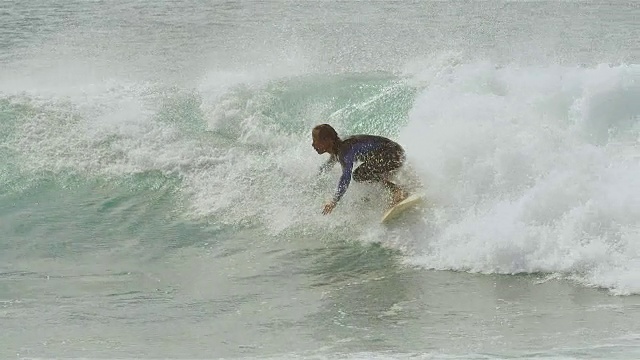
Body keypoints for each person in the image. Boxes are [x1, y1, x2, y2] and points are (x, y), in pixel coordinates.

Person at [312, 124, 408, 215]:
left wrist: (334, 201)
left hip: (393, 154)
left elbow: (346, 178)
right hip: (395, 153)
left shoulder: (344, 151)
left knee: (359, 175)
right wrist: (317, 177)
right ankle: (397, 189)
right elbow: (327, 166)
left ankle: (397, 191)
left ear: (327, 140)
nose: (313, 144)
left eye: (315, 140)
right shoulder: (338, 149)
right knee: (364, 174)